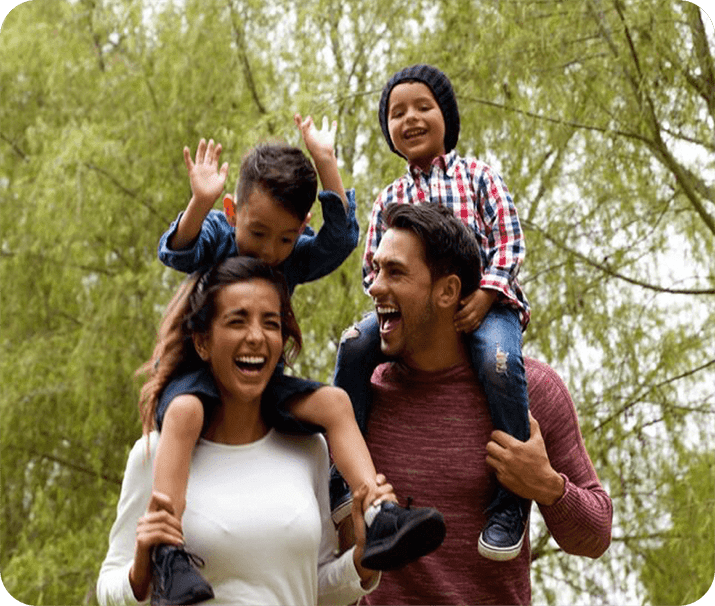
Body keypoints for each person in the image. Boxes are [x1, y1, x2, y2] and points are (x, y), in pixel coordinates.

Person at [149, 116, 445, 602]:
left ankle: (377, 512)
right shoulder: (220, 239)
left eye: (285, 239)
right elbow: (177, 252)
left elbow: (341, 241)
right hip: (197, 378)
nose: (269, 253)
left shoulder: (291, 257)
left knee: (333, 403)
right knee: (184, 412)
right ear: (232, 213)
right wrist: (200, 202)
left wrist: (326, 163)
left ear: (300, 229)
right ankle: (168, 552)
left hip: (263, 384)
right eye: (258, 233)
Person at [351, 202, 612, 605]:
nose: (375, 286)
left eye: (395, 272)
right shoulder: (362, 393)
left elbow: (595, 536)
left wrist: (547, 486)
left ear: (448, 291)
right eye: (377, 269)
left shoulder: (533, 390)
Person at [96, 256, 395, 605]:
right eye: (237, 321)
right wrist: (139, 573)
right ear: (203, 343)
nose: (256, 337)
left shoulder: (308, 448)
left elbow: (314, 587)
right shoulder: (155, 453)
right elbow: (108, 589)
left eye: (270, 323)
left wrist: (362, 563)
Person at [334, 64, 532, 561]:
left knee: (498, 363)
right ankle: (339, 474)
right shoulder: (390, 199)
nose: (411, 119)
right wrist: (390, 297)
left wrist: (484, 294)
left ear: (448, 116)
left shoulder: (479, 177)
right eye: (397, 113)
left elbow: (509, 243)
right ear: (389, 132)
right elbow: (371, 271)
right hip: (413, 314)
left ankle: (512, 498)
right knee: (354, 346)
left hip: (488, 307)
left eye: (423, 107)